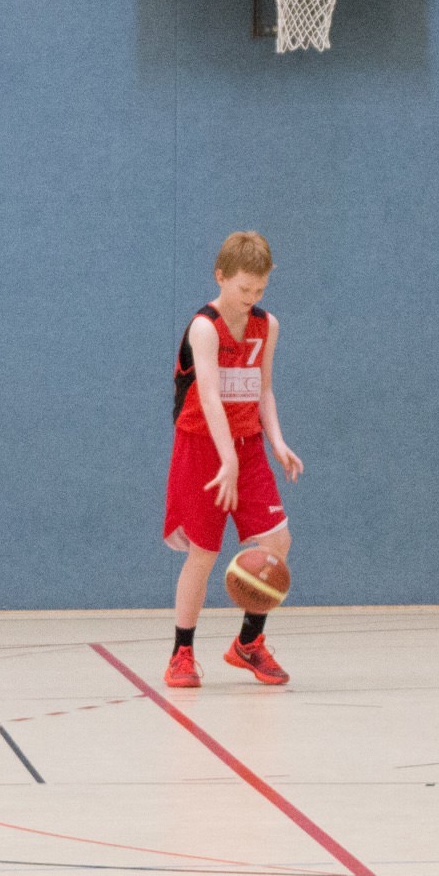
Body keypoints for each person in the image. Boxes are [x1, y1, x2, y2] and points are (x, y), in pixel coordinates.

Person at [162, 231, 304, 689]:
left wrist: (277, 441)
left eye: (260, 289)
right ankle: (182, 652)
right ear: (220, 276)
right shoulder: (204, 327)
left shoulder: (267, 325)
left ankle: (248, 642)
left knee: (278, 540)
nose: (252, 297)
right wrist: (227, 459)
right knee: (203, 553)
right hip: (202, 447)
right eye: (244, 288)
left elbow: (264, 390)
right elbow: (208, 396)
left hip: (248, 446)